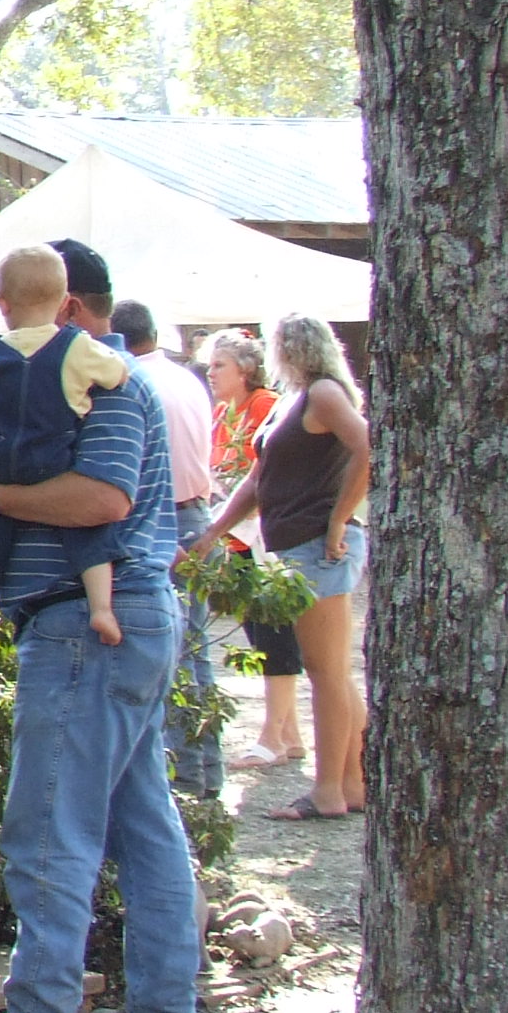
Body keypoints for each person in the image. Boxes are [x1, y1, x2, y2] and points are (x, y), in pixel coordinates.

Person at [0, 235, 200, 1013]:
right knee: (141, 820)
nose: (13, 331)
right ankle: (162, 1009)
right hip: (120, 621)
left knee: (48, 824)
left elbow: (103, 498)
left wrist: (3, 495)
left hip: (89, 628)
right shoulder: (56, 386)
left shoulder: (104, 385)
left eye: (23, 312)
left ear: (73, 311)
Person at [199, 313, 372, 821]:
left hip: (320, 545)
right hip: (295, 548)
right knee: (332, 672)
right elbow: (259, 476)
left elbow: (368, 446)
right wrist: (213, 529)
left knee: (326, 673)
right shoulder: (293, 402)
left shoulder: (324, 394)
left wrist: (341, 518)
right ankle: (352, 782)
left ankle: (327, 791)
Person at [0, 244, 134, 649]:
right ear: (62, 302)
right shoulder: (76, 347)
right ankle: (102, 609)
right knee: (90, 537)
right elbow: (116, 372)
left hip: (4, 460)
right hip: (53, 457)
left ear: (3, 304)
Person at [110, 299, 227, 798]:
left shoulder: (133, 385)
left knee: (164, 654)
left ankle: (179, 776)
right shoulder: (187, 379)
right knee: (194, 649)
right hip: (194, 510)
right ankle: (203, 773)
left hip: (161, 515)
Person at [201, 331, 306, 767]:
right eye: (209, 365)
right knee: (258, 632)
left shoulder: (264, 406)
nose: (211, 372)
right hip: (236, 536)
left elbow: (262, 473)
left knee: (273, 634)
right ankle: (291, 733)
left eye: (219, 365)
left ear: (245, 370)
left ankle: (272, 736)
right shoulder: (223, 413)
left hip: (262, 536)